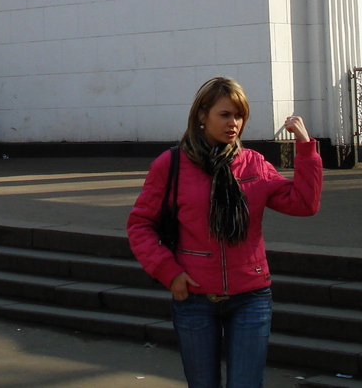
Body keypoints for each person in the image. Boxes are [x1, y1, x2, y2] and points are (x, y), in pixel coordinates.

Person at [127, 77, 322, 388]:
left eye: (239, 115)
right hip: (194, 295)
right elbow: (140, 224)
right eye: (225, 114)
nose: (234, 123)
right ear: (202, 116)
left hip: (251, 295)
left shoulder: (253, 163)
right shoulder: (172, 164)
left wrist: (305, 147)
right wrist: (168, 271)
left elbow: (303, 203)